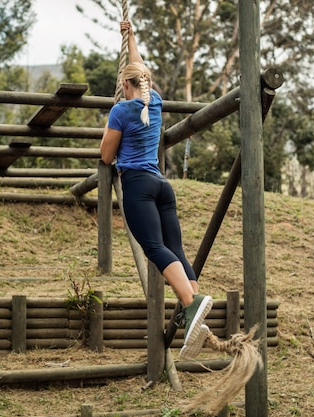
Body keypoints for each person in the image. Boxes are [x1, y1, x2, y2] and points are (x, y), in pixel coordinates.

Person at [100, 21, 212, 360]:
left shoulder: (121, 109)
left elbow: (106, 155)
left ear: (124, 83)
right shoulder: (157, 103)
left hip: (137, 185)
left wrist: (110, 121)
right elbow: (140, 70)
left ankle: (191, 306)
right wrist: (130, 37)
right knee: (174, 246)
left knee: (153, 248)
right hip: (162, 185)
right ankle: (193, 300)